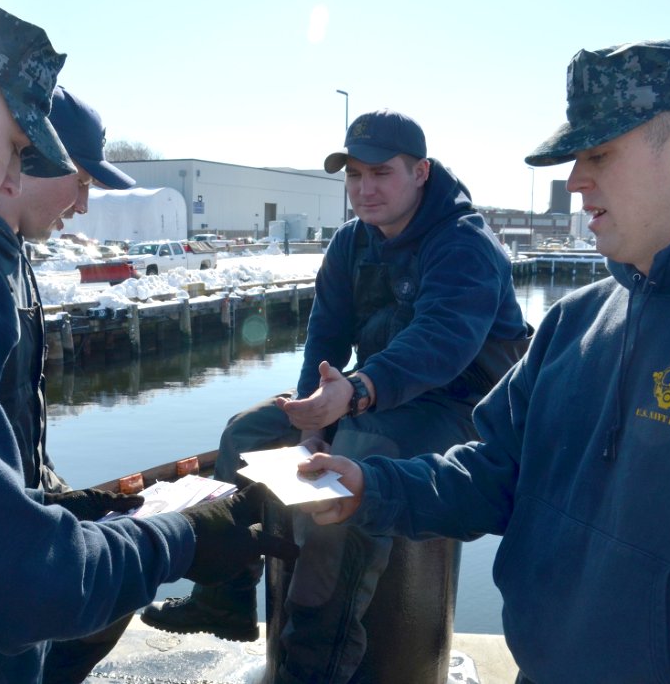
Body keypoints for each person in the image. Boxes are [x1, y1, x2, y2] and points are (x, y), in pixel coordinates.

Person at [0, 0, 293, 682]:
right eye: (15, 147)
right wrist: (182, 538)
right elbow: (14, 582)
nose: (14, 181)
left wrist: (64, 509)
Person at [299, 41, 670, 683]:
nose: (576, 180)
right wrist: (372, 488)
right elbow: (495, 473)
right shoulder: (573, 324)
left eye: (598, 154)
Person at [142, 109, 532, 682]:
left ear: (421, 172)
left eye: (381, 173)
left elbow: (443, 342)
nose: (364, 189)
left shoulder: (463, 244)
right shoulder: (352, 244)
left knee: (351, 472)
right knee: (244, 433)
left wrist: (356, 394)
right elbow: (324, 336)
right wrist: (309, 421)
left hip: (458, 407)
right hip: (367, 396)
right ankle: (224, 596)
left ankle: (314, 664)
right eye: (353, 175)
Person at [0, 85, 140, 683]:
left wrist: (62, 495)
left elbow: (16, 413)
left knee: (118, 572)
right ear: (28, 156)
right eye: (78, 182)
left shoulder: (12, 257)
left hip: (20, 515)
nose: (81, 206)